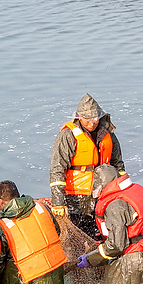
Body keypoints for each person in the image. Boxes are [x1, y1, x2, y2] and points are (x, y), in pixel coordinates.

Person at [50, 93, 125, 238]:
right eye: (87, 120)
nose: (92, 124)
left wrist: (123, 191)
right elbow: (57, 168)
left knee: (102, 232)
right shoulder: (67, 135)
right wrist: (58, 202)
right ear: (79, 118)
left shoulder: (108, 134)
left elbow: (118, 165)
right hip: (76, 198)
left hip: (103, 194)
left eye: (95, 120)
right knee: (75, 236)